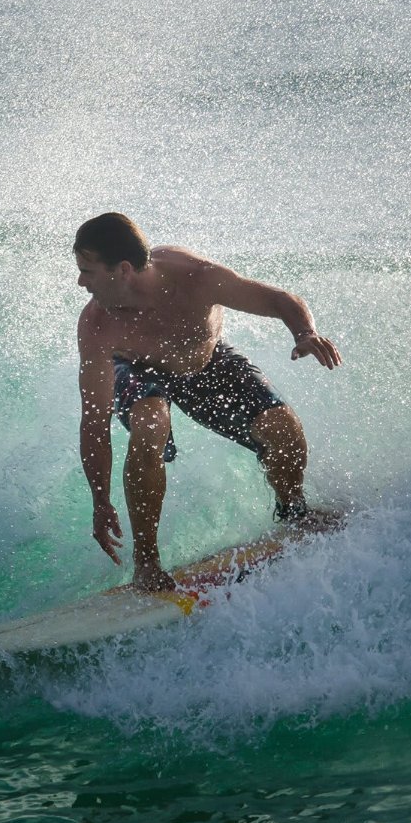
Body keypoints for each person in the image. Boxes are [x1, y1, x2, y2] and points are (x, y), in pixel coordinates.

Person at [74, 212, 342, 592]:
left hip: (205, 363)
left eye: (87, 271)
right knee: (150, 422)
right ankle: (147, 565)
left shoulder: (196, 277)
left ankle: (294, 511)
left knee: (282, 428)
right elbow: (94, 423)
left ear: (122, 270)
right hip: (136, 369)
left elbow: (278, 299)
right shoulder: (98, 325)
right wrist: (100, 501)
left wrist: (305, 333)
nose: (81, 282)